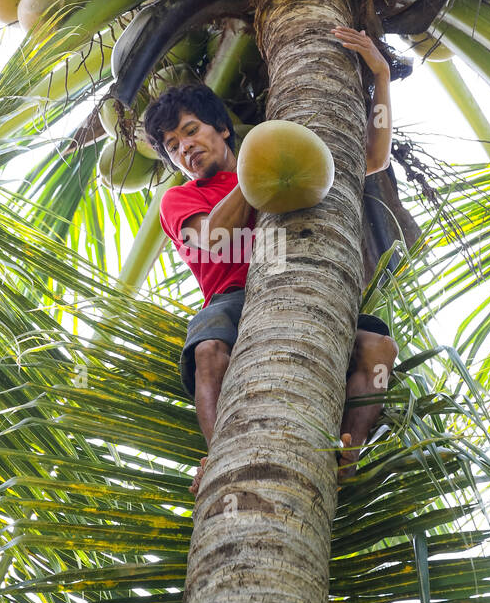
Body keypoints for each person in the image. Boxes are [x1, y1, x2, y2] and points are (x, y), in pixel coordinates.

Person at [141, 26, 399, 495]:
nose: (185, 148)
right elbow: (215, 240)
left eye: (191, 131)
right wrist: (258, 170)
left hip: (306, 285)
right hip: (232, 299)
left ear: (222, 128)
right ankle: (222, 455)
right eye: (174, 147)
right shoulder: (179, 199)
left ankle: (349, 451)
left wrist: (379, 74)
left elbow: (372, 158)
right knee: (206, 350)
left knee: (379, 350)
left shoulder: (280, 160)